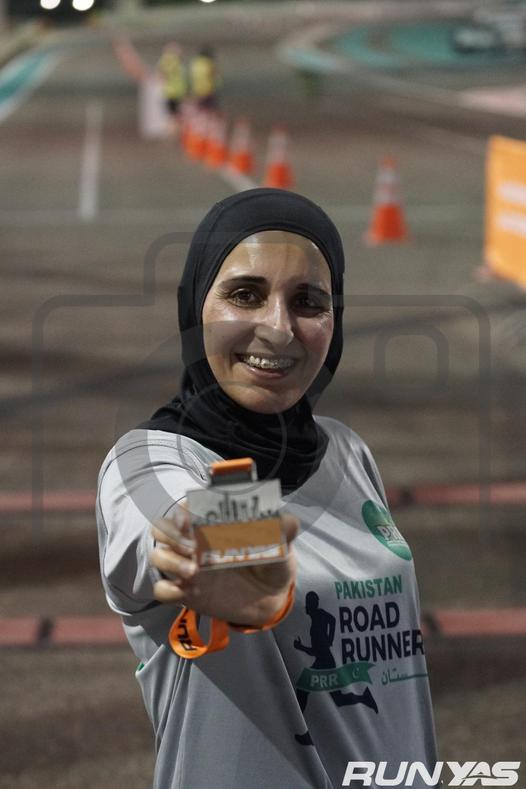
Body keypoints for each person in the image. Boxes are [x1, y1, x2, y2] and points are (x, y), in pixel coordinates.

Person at [96, 188, 438, 788]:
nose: (279, 329)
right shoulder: (150, 458)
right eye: (245, 294)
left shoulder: (346, 450)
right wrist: (234, 553)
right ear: (194, 306)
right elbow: (178, 522)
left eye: (308, 302)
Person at [157, 42, 187, 137]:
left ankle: (173, 133)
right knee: (175, 116)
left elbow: (161, 75)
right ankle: (173, 134)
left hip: (171, 92)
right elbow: (164, 74)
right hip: (175, 92)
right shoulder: (173, 61)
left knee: (174, 115)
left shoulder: (165, 60)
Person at [189, 44, 220, 111]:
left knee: (200, 108)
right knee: (209, 108)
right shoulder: (208, 63)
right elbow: (213, 74)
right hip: (207, 89)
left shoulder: (195, 63)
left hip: (197, 89)